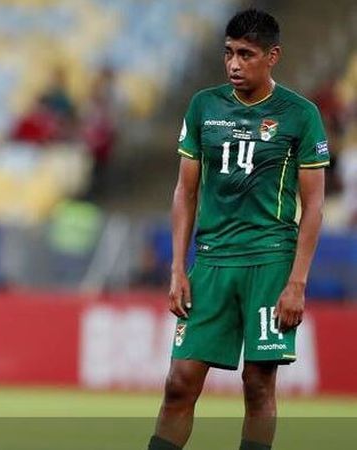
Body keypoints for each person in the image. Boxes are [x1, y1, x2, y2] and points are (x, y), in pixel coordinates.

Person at [148, 9, 329, 450]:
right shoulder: (203, 106)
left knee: (258, 384)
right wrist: (178, 267)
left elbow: (315, 205)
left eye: (246, 55)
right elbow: (184, 192)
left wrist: (297, 283)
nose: (233, 64)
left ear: (273, 56)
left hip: (269, 261)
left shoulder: (300, 115)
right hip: (211, 261)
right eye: (228, 53)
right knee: (179, 381)